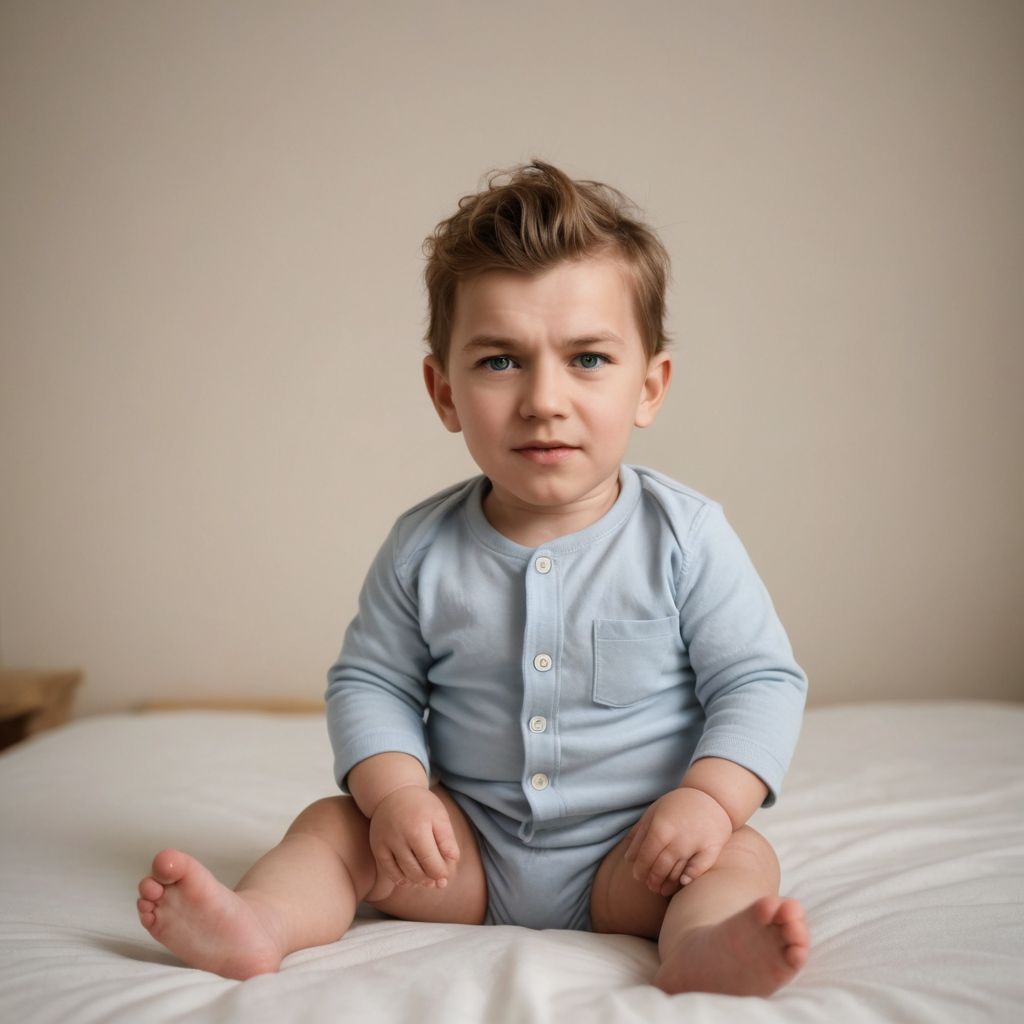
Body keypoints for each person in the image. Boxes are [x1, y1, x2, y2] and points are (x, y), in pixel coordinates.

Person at [137, 159, 811, 995]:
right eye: (500, 362)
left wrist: (709, 801)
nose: (544, 399)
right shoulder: (423, 548)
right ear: (443, 389)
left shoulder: (686, 537)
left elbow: (760, 682)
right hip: (464, 857)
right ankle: (261, 922)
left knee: (743, 854)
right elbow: (370, 683)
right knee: (332, 827)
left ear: (651, 385)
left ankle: (704, 947)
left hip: (638, 856)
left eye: (589, 359)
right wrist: (395, 796)